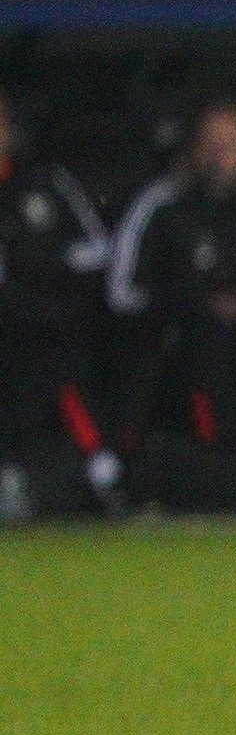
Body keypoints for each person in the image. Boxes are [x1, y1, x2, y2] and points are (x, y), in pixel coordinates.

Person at [107, 100, 236, 464]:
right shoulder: (161, 206)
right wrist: (197, 304)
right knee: (201, 337)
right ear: (192, 149)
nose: (220, 157)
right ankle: (205, 452)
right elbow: (123, 293)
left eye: (230, 146)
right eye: (210, 146)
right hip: (179, 345)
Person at [0, 87, 121, 514]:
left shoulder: (44, 184)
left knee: (59, 373)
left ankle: (99, 472)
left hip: (42, 337)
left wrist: (34, 260)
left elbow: (98, 251)